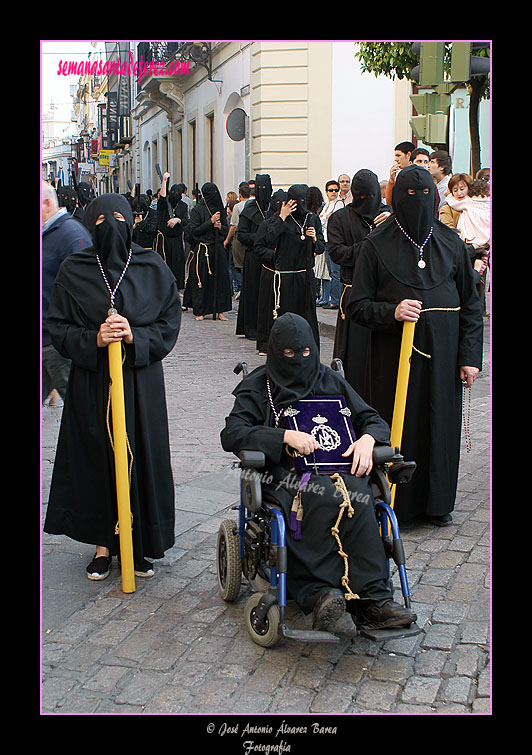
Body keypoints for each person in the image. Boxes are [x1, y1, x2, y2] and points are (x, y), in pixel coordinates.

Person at [220, 312, 418, 632]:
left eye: (306, 352)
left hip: (340, 468)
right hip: (286, 475)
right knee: (322, 495)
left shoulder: (328, 378)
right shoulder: (259, 385)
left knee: (362, 497)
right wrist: (284, 436)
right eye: (289, 354)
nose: (299, 360)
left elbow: (371, 418)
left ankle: (373, 600)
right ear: (275, 352)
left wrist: (368, 440)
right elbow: (232, 433)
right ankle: (318, 592)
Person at [43, 193, 182, 579]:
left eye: (119, 217)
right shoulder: (75, 269)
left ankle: (137, 544)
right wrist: (96, 339)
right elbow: (59, 327)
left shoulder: (152, 267)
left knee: (141, 454)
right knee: (96, 457)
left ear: (132, 222)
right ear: (91, 225)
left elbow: (169, 324)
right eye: (102, 221)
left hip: (141, 384)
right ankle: (103, 544)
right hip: (93, 384)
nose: (112, 226)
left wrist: (134, 334)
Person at [345, 165, 483, 526]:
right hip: (395, 362)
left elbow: (471, 305)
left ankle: (437, 504)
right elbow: (356, 305)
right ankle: (397, 504)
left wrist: (470, 358)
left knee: (440, 428)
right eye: (410, 196)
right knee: (400, 428)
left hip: (444, 360)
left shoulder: (451, 243)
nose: (418, 203)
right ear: (394, 197)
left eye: (425, 196)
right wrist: (392, 311)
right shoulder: (375, 245)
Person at [327, 169, 391, 399]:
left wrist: (393, 225)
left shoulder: (389, 216)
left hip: (384, 297)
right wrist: (370, 242)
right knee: (354, 356)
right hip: (354, 295)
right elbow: (338, 253)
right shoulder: (340, 218)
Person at [255, 185, 325, 354]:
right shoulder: (277, 219)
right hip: (284, 277)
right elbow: (269, 239)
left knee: (306, 313)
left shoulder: (312, 219)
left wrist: (315, 238)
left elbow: (321, 247)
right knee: (284, 315)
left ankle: (308, 345)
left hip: (304, 275)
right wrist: (282, 216)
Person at [42, 181, 92, 405]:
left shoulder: (72, 235)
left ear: (46, 203)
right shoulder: (49, 233)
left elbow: (84, 289)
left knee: (80, 405)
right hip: (46, 336)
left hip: (55, 341)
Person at [182, 182, 232, 321]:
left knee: (221, 280)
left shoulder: (219, 209)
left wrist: (220, 226)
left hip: (217, 248)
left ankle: (220, 309)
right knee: (202, 280)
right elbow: (194, 231)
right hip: (203, 248)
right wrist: (210, 222)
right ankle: (201, 310)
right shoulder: (198, 210)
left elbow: (225, 230)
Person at [236, 175, 273, 341]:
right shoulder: (249, 209)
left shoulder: (274, 207)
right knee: (253, 292)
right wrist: (259, 238)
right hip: (253, 257)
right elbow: (242, 235)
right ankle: (252, 328)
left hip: (270, 258)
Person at [154, 173, 189, 290]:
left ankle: (177, 287)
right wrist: (164, 181)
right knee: (165, 262)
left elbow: (186, 220)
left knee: (178, 264)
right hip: (164, 239)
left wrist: (177, 220)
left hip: (177, 238)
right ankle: (164, 287)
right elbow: (163, 197)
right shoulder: (164, 204)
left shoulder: (183, 206)